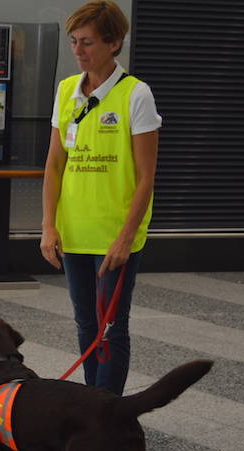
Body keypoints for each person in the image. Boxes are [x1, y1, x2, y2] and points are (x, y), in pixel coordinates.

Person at [40, 0, 161, 396]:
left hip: (114, 235)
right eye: (74, 41)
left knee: (111, 327)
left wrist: (126, 237)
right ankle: (93, 406)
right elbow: (55, 164)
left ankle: (106, 412)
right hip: (74, 232)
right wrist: (48, 225)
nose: (78, 50)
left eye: (87, 42)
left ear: (114, 43)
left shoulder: (136, 95)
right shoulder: (65, 91)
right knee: (86, 324)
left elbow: (146, 176)